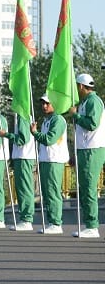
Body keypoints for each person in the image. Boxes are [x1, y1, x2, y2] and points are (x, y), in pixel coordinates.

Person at [71, 73, 103, 238]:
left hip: (93, 149)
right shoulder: (84, 102)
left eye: (77, 86)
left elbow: (92, 124)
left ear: (82, 86)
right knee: (84, 188)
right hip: (84, 149)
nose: (76, 89)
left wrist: (76, 115)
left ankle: (92, 226)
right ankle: (89, 224)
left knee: (89, 187)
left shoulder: (93, 102)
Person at [32, 94, 67, 235]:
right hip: (46, 160)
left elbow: (49, 139)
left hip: (54, 160)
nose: (44, 106)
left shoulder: (58, 119)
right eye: (43, 103)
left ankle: (56, 223)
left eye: (47, 103)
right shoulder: (47, 120)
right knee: (46, 193)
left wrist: (35, 133)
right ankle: (51, 221)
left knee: (53, 192)